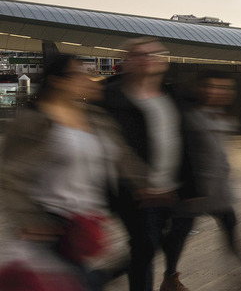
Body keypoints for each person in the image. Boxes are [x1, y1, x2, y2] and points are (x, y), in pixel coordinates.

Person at [1, 53, 147, 291]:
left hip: (86, 225)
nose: (90, 80)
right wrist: (29, 221)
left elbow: (121, 155)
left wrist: (148, 184)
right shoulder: (33, 121)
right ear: (58, 81)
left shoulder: (95, 117)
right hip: (51, 224)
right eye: (81, 75)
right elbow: (11, 177)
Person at [160, 73, 241, 287]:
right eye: (213, 87)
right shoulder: (190, 116)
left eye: (225, 88)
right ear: (201, 89)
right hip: (194, 189)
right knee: (178, 235)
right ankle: (165, 276)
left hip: (217, 190)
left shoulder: (220, 116)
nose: (220, 92)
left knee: (229, 227)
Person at [101, 38, 196, 291]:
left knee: (169, 236)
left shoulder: (171, 96)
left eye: (153, 54)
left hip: (173, 188)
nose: (147, 59)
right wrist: (139, 183)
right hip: (136, 192)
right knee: (145, 245)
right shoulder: (112, 99)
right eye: (138, 54)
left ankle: (166, 277)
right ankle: (99, 279)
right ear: (126, 62)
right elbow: (114, 148)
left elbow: (185, 141)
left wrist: (191, 186)